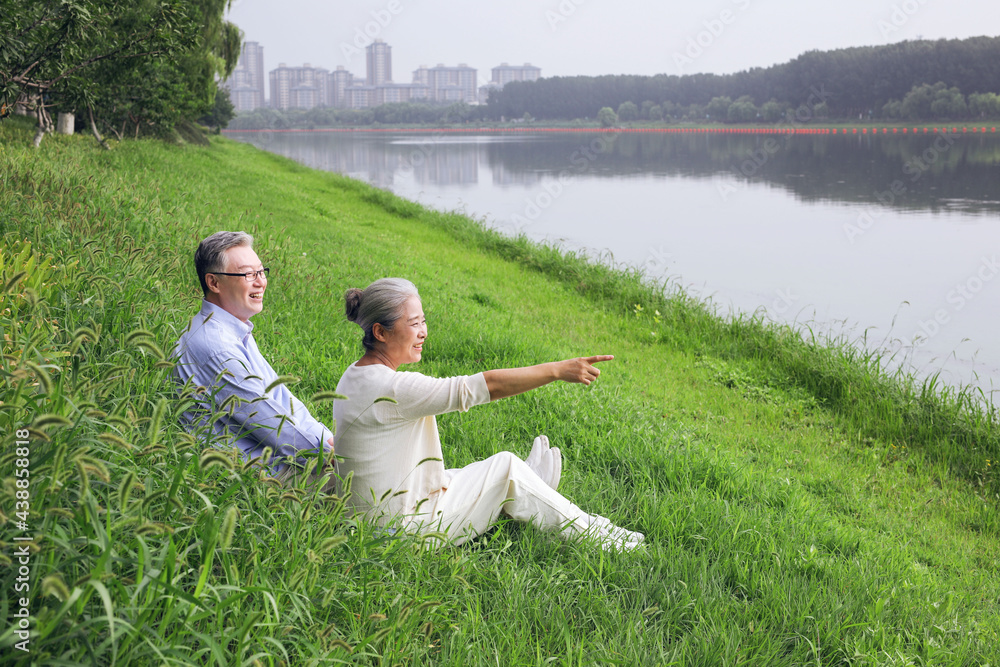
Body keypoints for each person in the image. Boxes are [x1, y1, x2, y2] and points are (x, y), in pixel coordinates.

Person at [333, 277, 644, 551]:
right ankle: (598, 535)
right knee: (505, 467)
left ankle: (528, 488)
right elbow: (485, 386)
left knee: (464, 476)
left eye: (423, 321)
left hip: (372, 521)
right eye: (414, 324)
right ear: (381, 332)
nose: (424, 332)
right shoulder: (395, 388)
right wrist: (557, 370)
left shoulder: (355, 375)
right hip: (400, 532)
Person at [173, 231, 334, 484]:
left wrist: (327, 439)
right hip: (263, 472)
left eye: (261, 272)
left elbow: (282, 399)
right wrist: (331, 455)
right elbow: (270, 423)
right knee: (381, 481)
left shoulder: (235, 328)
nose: (261, 282)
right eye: (249, 274)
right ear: (214, 283)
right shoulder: (218, 347)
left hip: (282, 456)